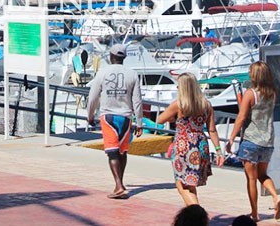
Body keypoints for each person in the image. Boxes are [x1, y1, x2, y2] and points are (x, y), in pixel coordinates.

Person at [226, 61, 280, 222]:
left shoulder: (251, 94)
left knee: (251, 178)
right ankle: (275, 197)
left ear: (254, 75)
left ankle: (254, 213)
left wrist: (231, 138)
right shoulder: (272, 93)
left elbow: (241, 117)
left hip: (251, 140)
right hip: (268, 140)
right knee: (263, 175)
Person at [157, 73, 225, 206]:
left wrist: (173, 117)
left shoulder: (179, 105)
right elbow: (212, 130)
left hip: (184, 145)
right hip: (200, 145)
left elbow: (160, 119)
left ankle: (197, 214)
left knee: (181, 185)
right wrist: (218, 151)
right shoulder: (206, 105)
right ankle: (195, 216)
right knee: (191, 185)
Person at [86, 44, 143, 199]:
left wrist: (90, 115)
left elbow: (93, 97)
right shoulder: (132, 74)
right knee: (122, 152)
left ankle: (118, 185)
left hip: (108, 116)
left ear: (111, 56)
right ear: (124, 58)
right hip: (125, 117)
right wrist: (139, 122)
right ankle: (120, 183)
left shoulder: (103, 73)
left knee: (112, 153)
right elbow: (137, 101)